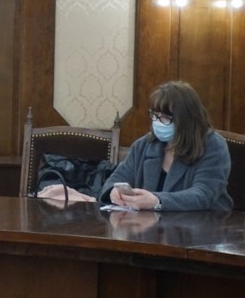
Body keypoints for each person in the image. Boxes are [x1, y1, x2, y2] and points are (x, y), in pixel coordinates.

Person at [98, 81, 232, 211]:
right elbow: (116, 179)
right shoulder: (143, 145)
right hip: (149, 224)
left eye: (165, 118)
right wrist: (113, 192)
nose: (158, 122)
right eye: (155, 115)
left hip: (203, 223)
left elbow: (203, 195)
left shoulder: (213, 146)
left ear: (186, 119)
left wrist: (157, 201)